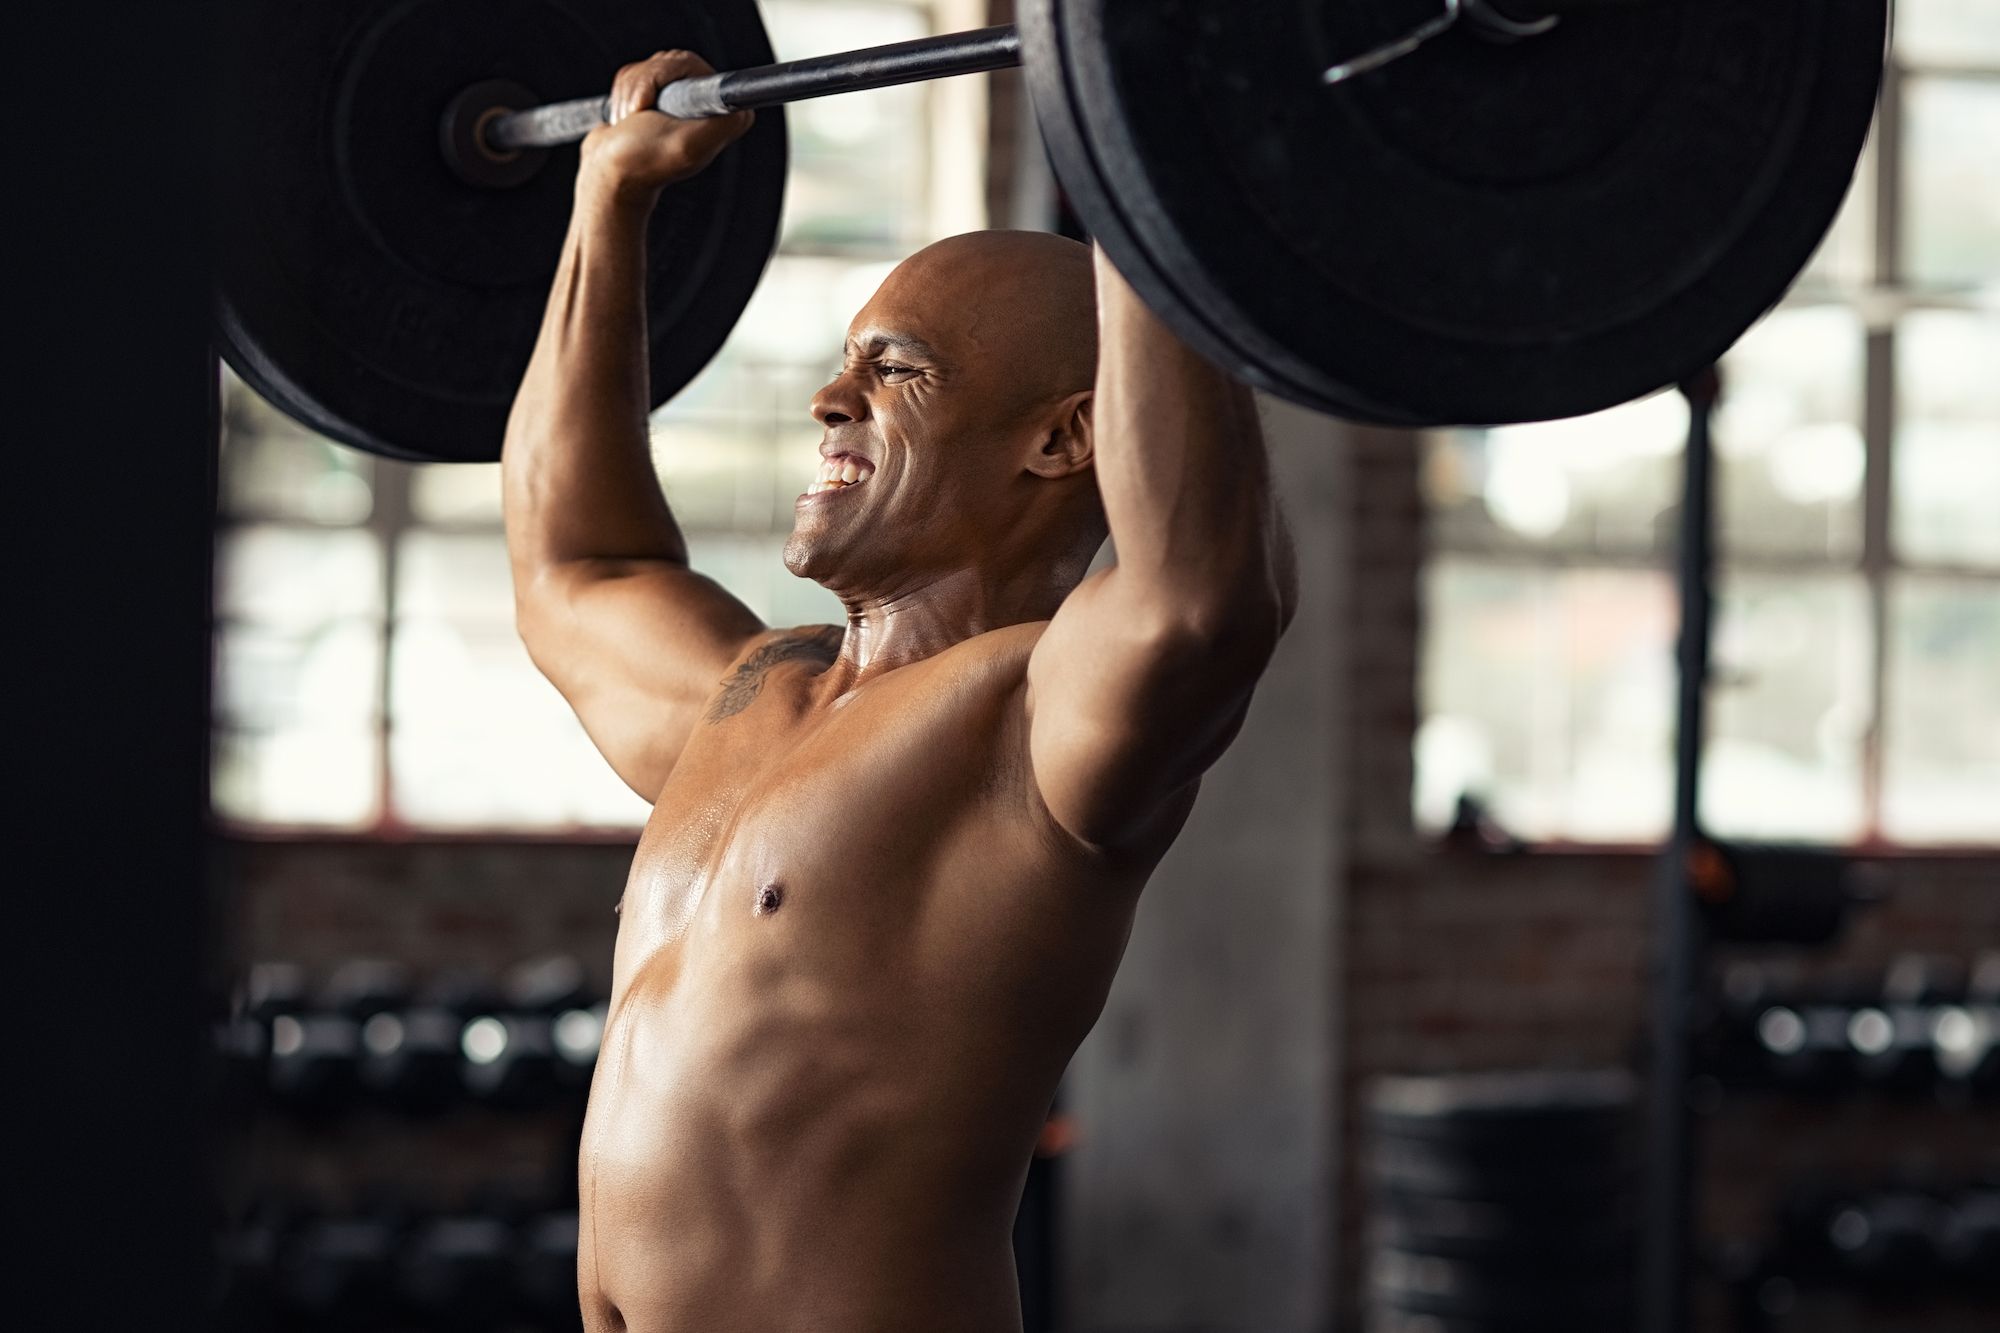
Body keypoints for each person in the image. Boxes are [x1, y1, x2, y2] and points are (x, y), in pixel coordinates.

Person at [502, 50, 1297, 1333]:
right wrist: (608, 198)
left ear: (1060, 437)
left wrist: (1137, 128)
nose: (829, 400)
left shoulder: (1028, 724)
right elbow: (572, 568)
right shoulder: (753, 695)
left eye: (897, 369)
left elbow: (1200, 593)